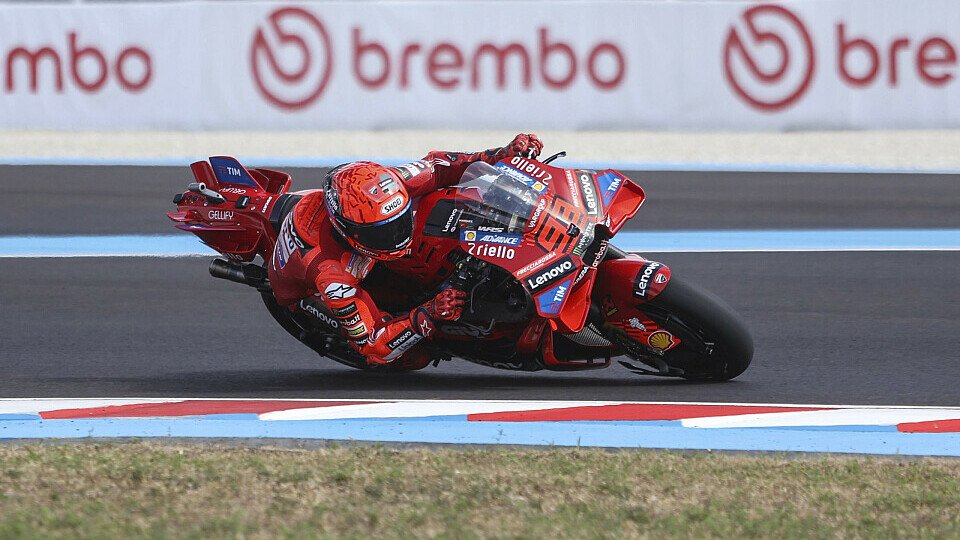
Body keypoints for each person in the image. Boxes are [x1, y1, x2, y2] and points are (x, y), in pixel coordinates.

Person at [267, 134, 543, 369]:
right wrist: (428, 313)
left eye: (398, 221)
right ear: (346, 231)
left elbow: (438, 167)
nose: (397, 235)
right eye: (382, 232)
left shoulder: (390, 183)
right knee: (415, 357)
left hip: (364, 254)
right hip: (309, 291)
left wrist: (500, 155)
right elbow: (373, 345)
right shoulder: (331, 275)